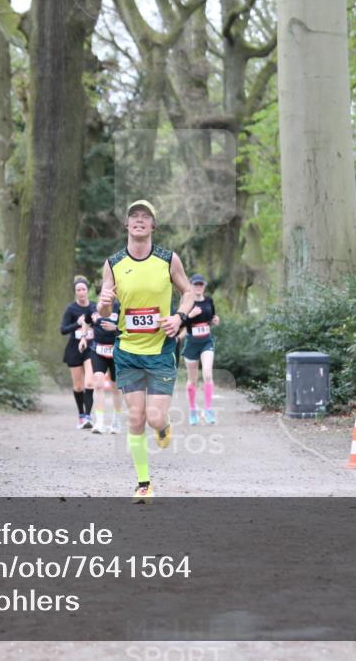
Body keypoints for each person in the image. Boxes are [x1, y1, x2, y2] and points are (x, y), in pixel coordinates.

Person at [97, 199, 195, 503]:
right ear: (127, 225)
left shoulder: (168, 260)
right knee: (135, 417)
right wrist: (103, 301)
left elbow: (189, 292)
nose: (139, 220)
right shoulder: (113, 264)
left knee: (154, 418)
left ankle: (163, 426)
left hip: (162, 351)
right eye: (134, 217)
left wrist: (179, 317)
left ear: (153, 225)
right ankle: (143, 483)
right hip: (127, 350)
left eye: (146, 217)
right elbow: (103, 311)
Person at [180, 274, 220, 425]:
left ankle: (208, 410)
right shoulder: (186, 302)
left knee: (208, 374)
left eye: (201, 284)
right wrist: (191, 314)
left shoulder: (209, 301)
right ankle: (192, 410)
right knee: (192, 380)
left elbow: (212, 317)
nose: (198, 287)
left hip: (206, 341)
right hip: (191, 343)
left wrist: (215, 320)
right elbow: (181, 322)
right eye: (195, 284)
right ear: (190, 285)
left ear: (204, 286)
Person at [60, 276, 96, 429]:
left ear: (88, 291)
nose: (81, 292)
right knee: (79, 386)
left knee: (89, 382)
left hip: (90, 348)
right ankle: (81, 415)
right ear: (75, 292)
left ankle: (88, 417)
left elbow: (100, 322)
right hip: (74, 349)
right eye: (78, 290)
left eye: (83, 289)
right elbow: (63, 330)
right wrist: (78, 323)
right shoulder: (71, 309)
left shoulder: (94, 307)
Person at [89, 300, 123, 434]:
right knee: (98, 384)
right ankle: (99, 422)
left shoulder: (121, 306)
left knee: (116, 387)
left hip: (117, 350)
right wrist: (85, 333)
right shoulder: (95, 306)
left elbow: (129, 328)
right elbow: (86, 320)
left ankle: (116, 422)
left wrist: (115, 328)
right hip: (98, 350)